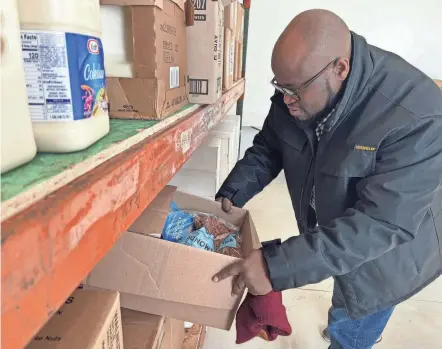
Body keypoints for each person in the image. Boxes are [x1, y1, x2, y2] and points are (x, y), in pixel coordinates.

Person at [212, 9, 442, 349]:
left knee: (352, 321)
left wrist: (275, 266)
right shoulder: (302, 86)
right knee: (333, 271)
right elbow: (271, 145)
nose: (285, 99)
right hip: (341, 228)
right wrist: (233, 192)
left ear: (340, 68)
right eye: (280, 88)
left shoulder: (418, 117)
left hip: (385, 254)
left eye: (295, 91)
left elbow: (378, 225)